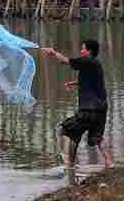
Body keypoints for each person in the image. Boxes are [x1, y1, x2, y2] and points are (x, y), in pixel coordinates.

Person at [41, 40, 115, 169]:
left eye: (83, 49)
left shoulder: (86, 61)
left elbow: (66, 61)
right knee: (97, 137)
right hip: (101, 109)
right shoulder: (96, 64)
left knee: (71, 133)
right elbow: (90, 82)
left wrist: (53, 53)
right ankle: (109, 162)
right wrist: (73, 84)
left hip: (88, 109)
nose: (81, 51)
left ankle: (70, 165)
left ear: (89, 51)